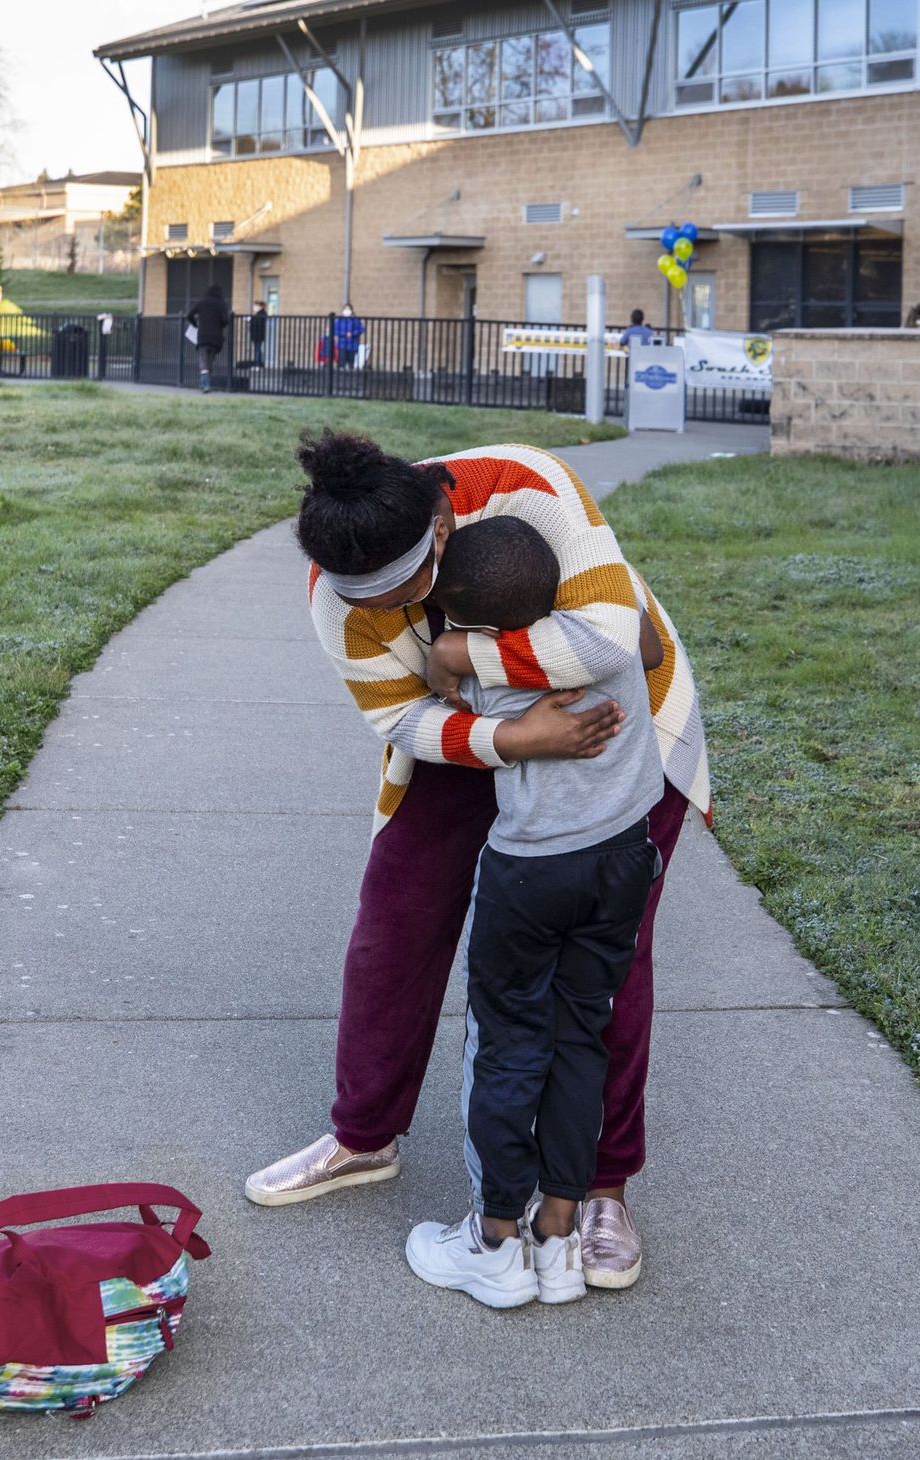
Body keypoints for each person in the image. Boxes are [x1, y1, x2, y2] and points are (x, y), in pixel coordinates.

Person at [249, 431, 712, 1295]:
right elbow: (401, 721)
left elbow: (616, 633)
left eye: (409, 588)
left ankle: (605, 1187)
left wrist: (461, 655)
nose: (392, 611)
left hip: (617, 730)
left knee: (608, 967)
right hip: (475, 735)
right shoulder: (337, 596)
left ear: (440, 520)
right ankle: (364, 1135)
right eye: (372, 601)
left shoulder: (528, 482)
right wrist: (511, 736)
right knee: (394, 926)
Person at [403, 517, 666, 1309]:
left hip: (529, 873)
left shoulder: (486, 668)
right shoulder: (604, 641)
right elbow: (646, 644)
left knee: (511, 1042)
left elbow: (432, 710)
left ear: (473, 620)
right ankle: (558, 1234)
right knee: (582, 1034)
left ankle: (492, 1243)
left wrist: (453, 654)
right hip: (622, 857)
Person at [185, 283, 231, 393]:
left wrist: (195, 324)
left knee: (203, 359)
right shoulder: (221, 304)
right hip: (216, 337)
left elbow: (189, 315)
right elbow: (226, 320)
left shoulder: (202, 302)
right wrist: (219, 325)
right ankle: (207, 383)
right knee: (210, 361)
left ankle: (204, 384)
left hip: (203, 336)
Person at [248, 301, 269, 369]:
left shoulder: (261, 314)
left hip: (258, 334)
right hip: (257, 334)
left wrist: (251, 318)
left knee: (257, 349)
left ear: (259, 307)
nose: (254, 308)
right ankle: (259, 364)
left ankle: (257, 364)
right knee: (258, 349)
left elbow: (258, 321)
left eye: (255, 306)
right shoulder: (259, 314)